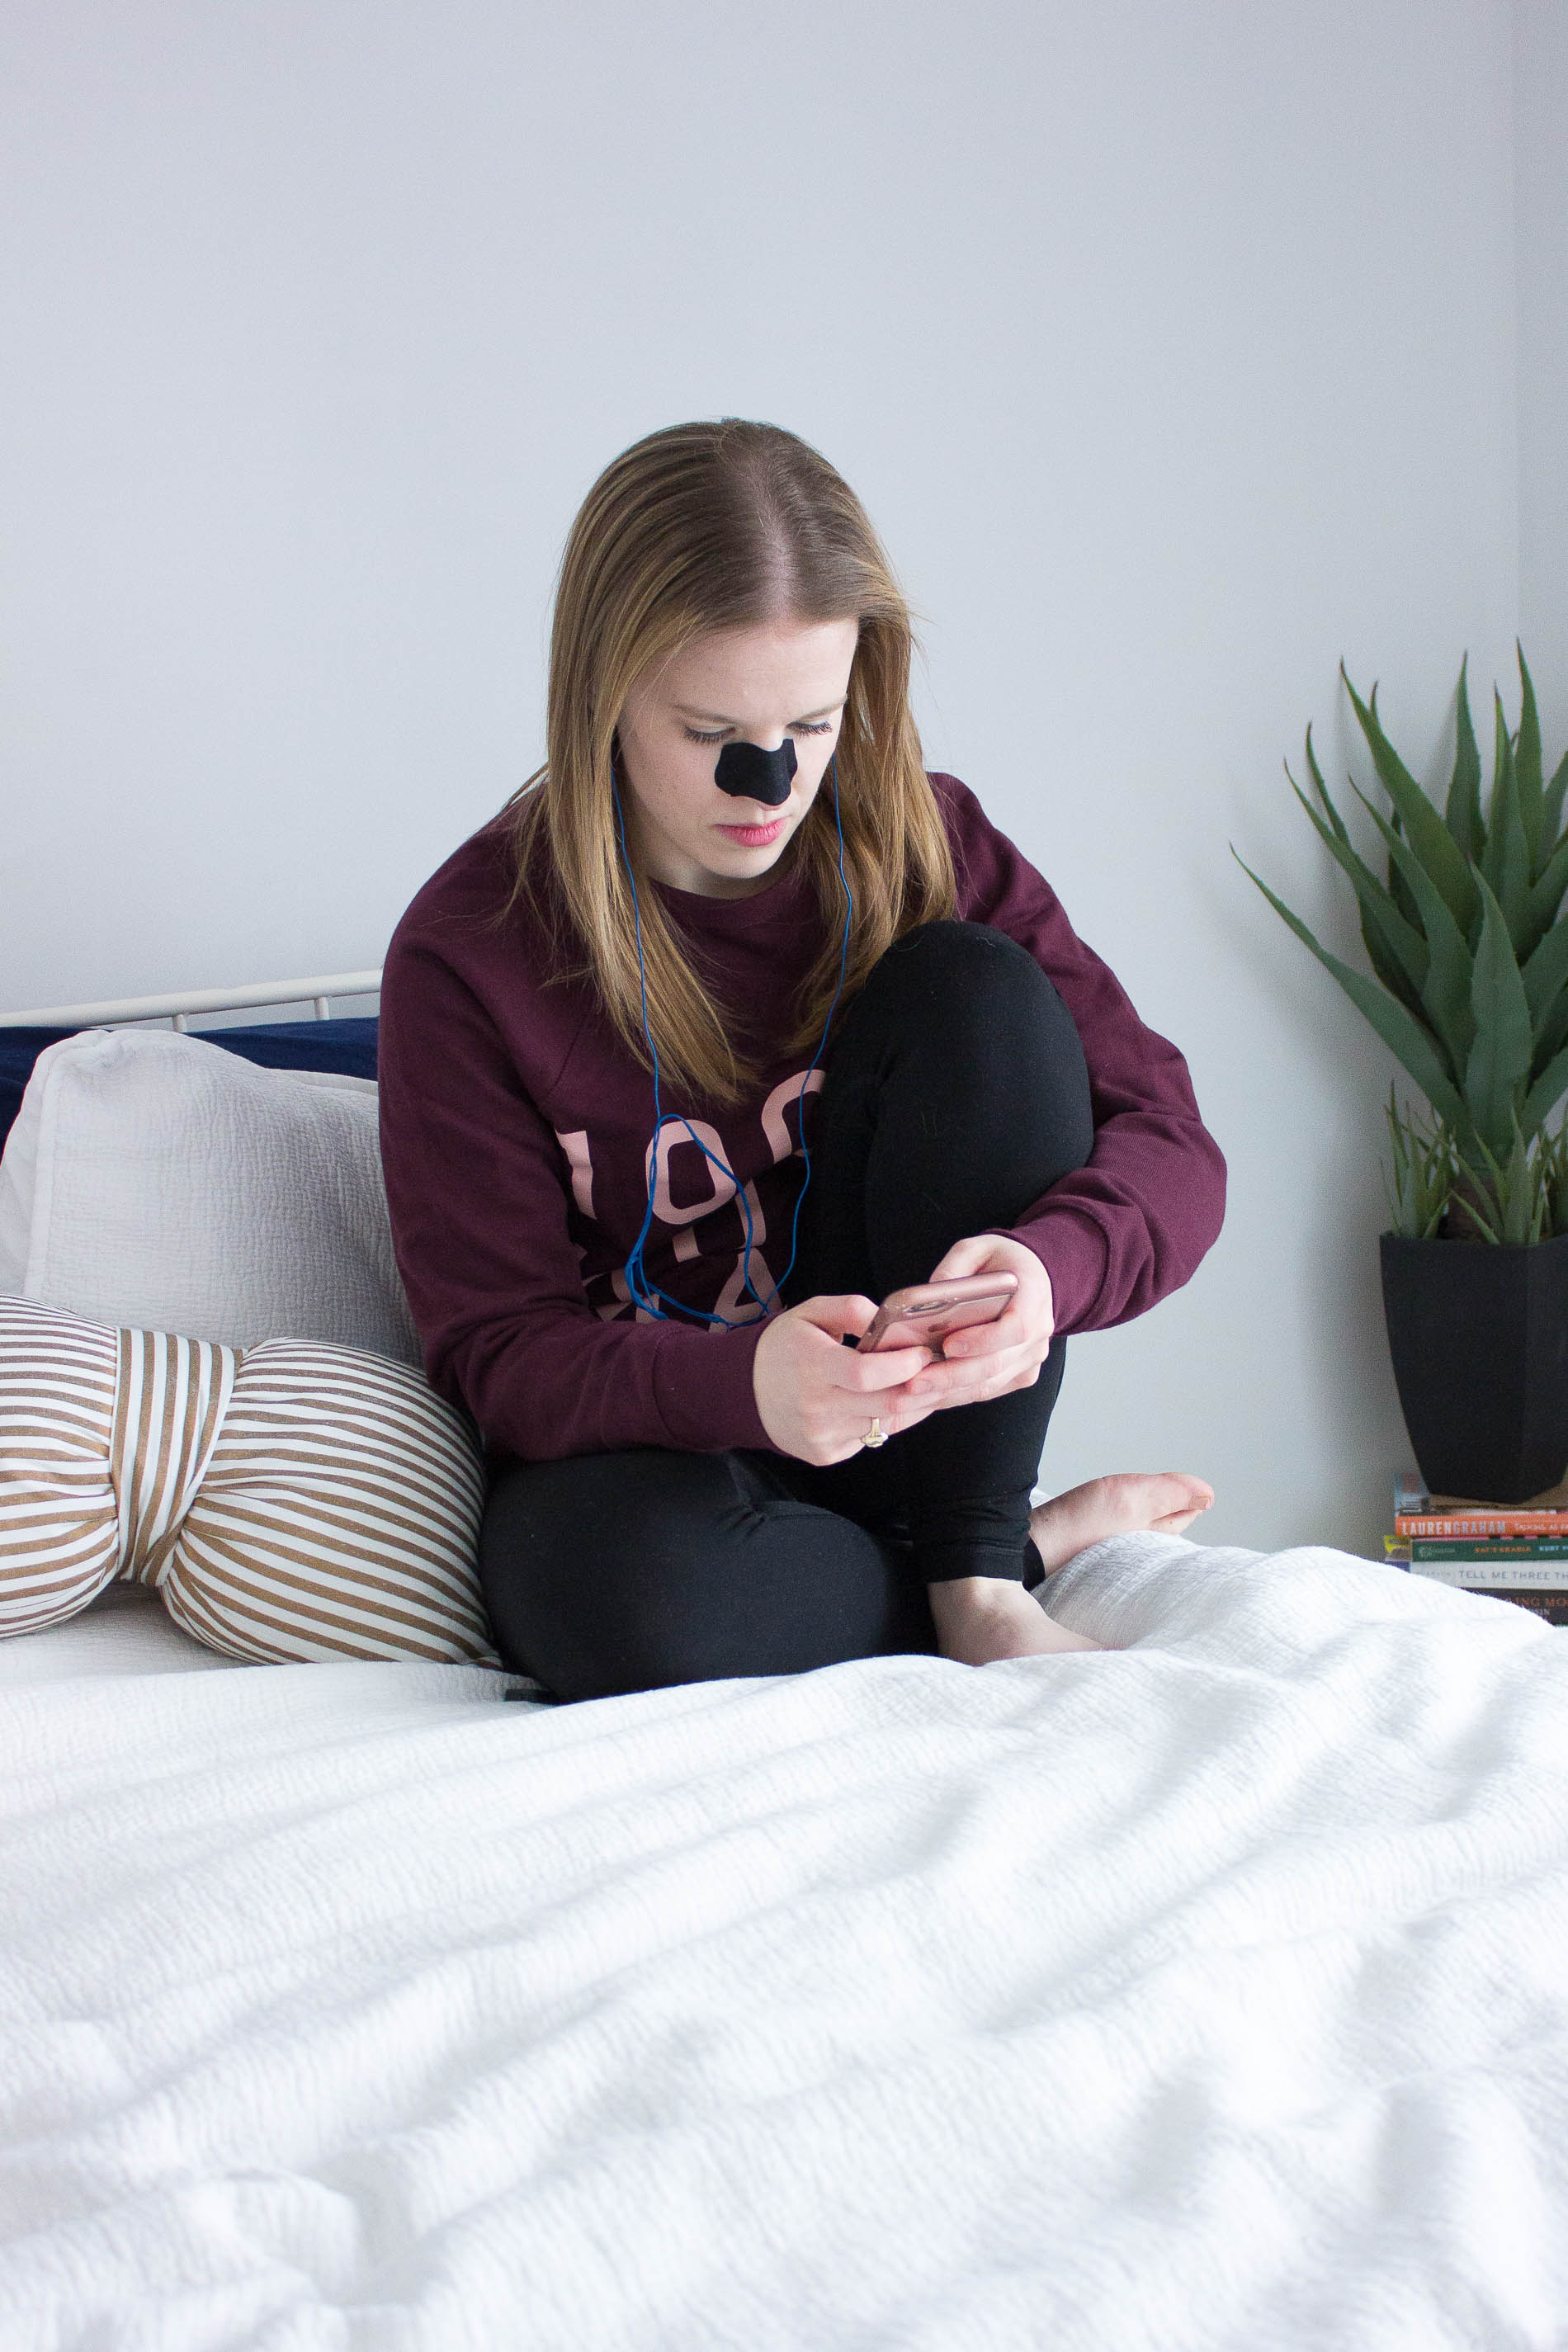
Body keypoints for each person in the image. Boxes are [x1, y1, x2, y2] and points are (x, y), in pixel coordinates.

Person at [377, 418, 1226, 1703]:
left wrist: (1050, 1274)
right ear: (602, 696)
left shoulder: (930, 840)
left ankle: (978, 1579)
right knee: (604, 1599)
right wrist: (746, 1384)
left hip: (919, 1442)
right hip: (674, 1458)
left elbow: (1172, 1141)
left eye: (812, 723)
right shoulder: (471, 951)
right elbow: (499, 1352)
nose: (767, 781)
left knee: (979, 989)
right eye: (709, 726)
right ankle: (1015, 1552)